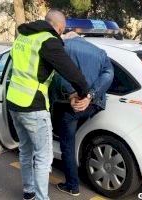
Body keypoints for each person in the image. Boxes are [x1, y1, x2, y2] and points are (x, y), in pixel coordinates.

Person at [6, 10, 90, 200]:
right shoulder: (48, 41)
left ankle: (29, 192)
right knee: (43, 157)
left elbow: (17, 66)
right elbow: (71, 72)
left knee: (26, 151)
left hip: (14, 101)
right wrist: (84, 93)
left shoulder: (24, 36)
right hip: (33, 105)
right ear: (59, 27)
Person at [51, 31, 114, 196]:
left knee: (67, 144)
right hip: (93, 104)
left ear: (67, 36)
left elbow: (57, 73)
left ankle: (72, 185)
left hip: (70, 104)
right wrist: (90, 96)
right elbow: (108, 74)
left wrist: (72, 93)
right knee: (77, 129)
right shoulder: (99, 52)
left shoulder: (63, 47)